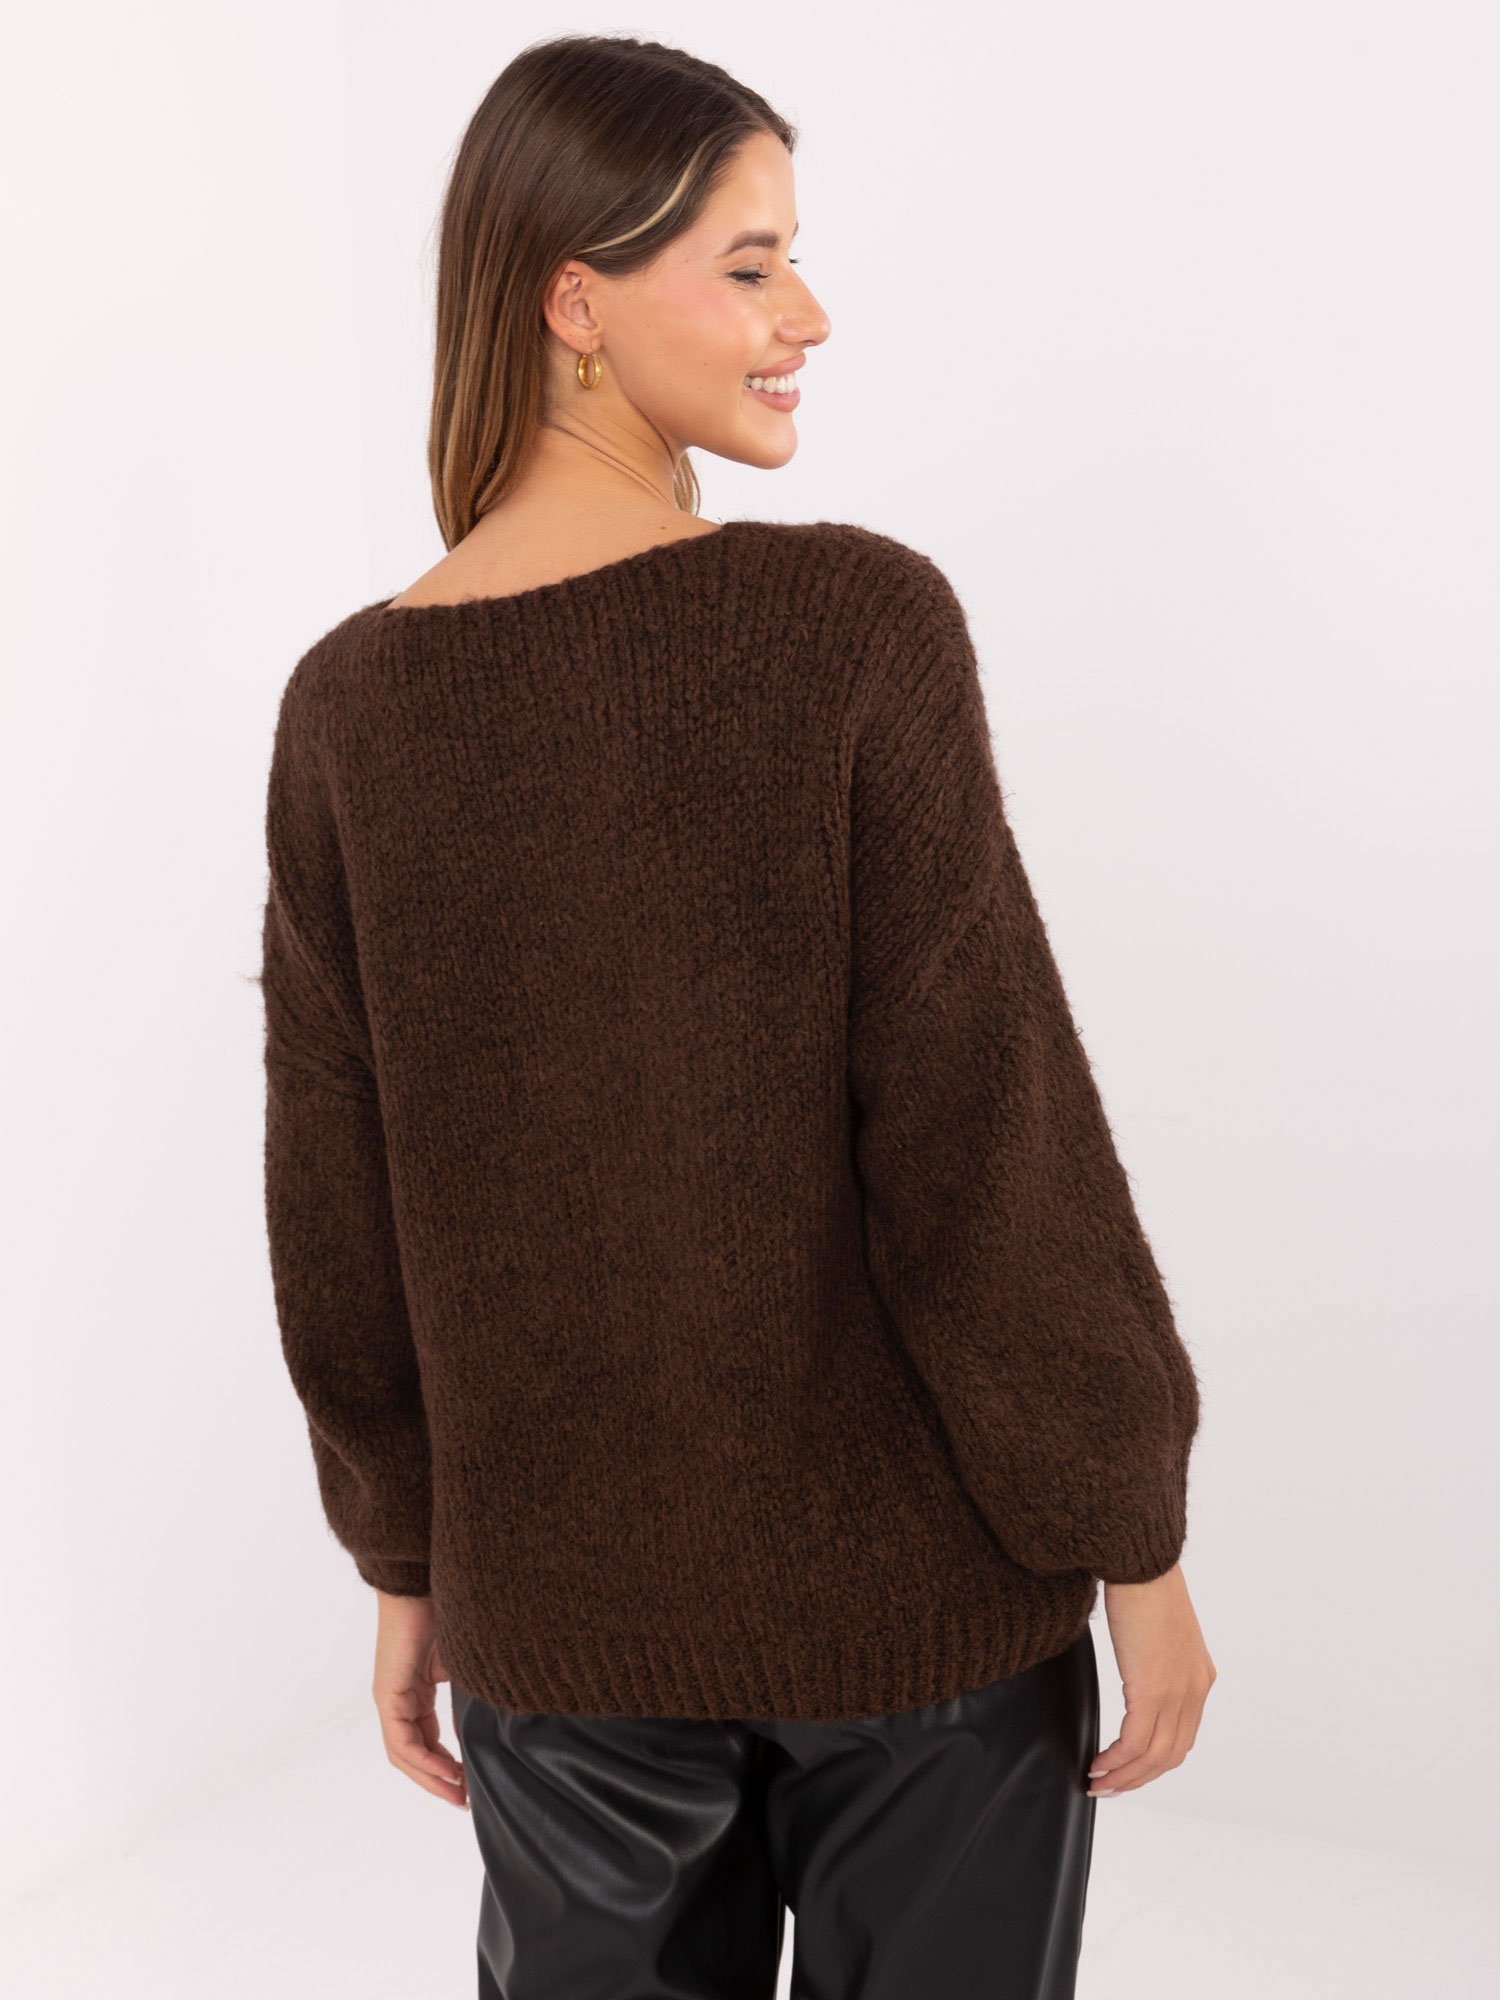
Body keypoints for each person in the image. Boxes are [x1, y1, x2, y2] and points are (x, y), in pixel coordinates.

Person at [258, 32, 1215, 2000]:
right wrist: (1133, 1536)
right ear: (575, 300)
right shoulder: (850, 626)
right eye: (753, 264)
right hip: (921, 1636)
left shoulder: (350, 708)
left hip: (562, 1641)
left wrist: (407, 1564)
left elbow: (335, 1216)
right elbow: (985, 1147)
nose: (810, 315)